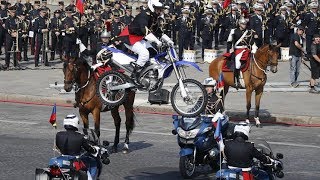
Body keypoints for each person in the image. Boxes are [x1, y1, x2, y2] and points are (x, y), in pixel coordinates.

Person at [118, 0, 173, 84]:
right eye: (158, 9)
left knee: (153, 52)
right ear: (152, 7)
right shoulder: (144, 15)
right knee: (145, 54)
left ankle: (147, 72)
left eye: (160, 10)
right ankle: (134, 76)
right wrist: (157, 41)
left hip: (138, 38)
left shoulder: (153, 17)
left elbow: (158, 31)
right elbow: (145, 31)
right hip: (129, 38)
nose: (160, 11)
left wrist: (169, 40)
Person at [56, 114, 99, 179]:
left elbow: (58, 145)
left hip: (62, 158)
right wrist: (94, 150)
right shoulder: (80, 137)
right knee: (91, 167)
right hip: (75, 161)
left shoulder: (58, 134)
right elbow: (88, 148)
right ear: (75, 123)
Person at [226, 18, 258, 89]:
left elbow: (252, 42)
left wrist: (254, 48)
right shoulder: (234, 31)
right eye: (243, 24)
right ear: (239, 24)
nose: (244, 25)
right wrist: (229, 50)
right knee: (237, 64)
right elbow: (229, 41)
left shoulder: (249, 32)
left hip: (246, 49)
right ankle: (237, 80)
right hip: (238, 50)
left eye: (245, 24)